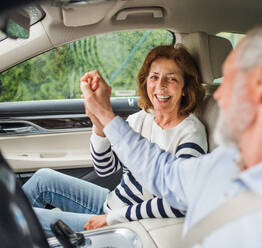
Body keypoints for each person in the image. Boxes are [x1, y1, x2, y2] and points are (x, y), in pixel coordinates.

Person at [80, 17, 262, 247]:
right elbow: (161, 172)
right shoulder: (223, 163)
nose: (218, 97)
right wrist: (104, 116)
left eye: (230, 78)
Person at [22, 45, 208, 237]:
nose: (160, 85)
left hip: (134, 224)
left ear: (185, 88)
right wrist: (99, 128)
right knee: (43, 179)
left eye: (171, 79)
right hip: (112, 203)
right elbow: (105, 169)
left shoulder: (190, 133)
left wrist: (112, 218)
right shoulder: (141, 118)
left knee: (24, 220)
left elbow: (180, 200)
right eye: (154, 77)